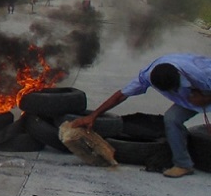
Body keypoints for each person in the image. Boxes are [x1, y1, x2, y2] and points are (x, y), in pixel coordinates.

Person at [70, 54, 211, 178]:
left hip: (206, 92)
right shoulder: (147, 76)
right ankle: (183, 164)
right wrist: (93, 116)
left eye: (176, 89)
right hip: (193, 98)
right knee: (172, 119)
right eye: (170, 91)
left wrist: (206, 98)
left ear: (179, 76)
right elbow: (121, 96)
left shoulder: (199, 73)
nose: (174, 92)